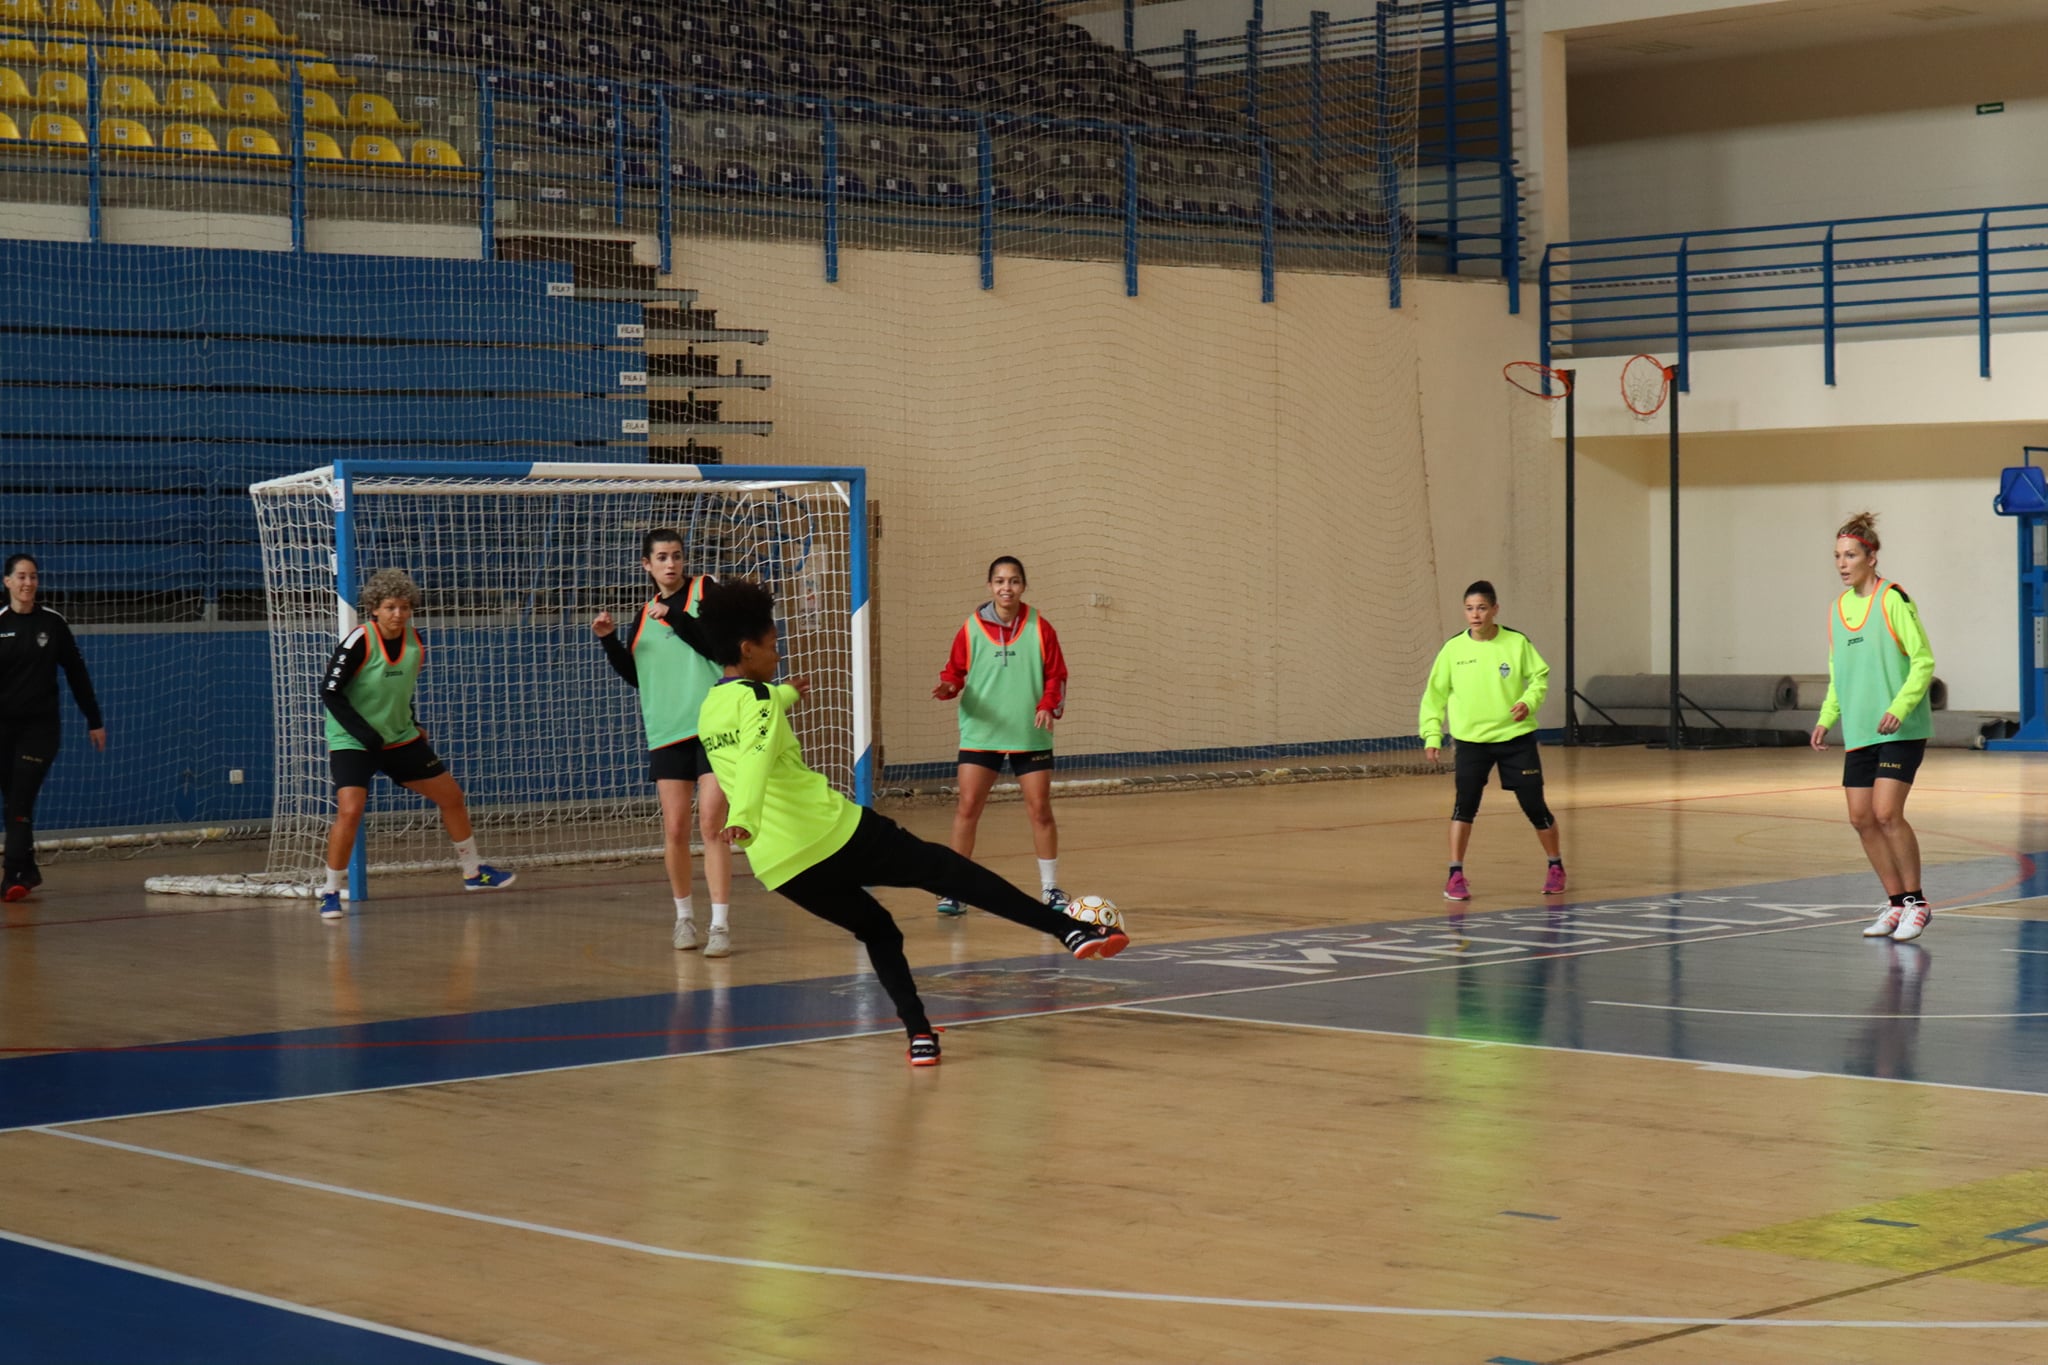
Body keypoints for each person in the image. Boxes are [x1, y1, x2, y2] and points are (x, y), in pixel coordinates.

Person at [695, 577, 1127, 1067]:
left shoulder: (713, 709)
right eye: (772, 647)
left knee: (879, 931)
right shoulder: (758, 703)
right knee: (947, 871)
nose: (779, 655)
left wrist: (787, 695)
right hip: (831, 833)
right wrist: (745, 817)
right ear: (747, 648)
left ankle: (920, 1035)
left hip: (781, 866)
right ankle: (1067, 930)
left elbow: (758, 718)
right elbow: (753, 760)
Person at [318, 569, 514, 921]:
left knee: (451, 796)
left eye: (405, 606)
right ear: (374, 608)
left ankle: (473, 872)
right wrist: (364, 734)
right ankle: (330, 891)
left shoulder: (415, 641)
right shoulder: (359, 641)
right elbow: (330, 692)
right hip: (352, 739)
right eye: (391, 606)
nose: (398, 613)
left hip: (398, 738)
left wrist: (412, 721)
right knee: (350, 810)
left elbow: (400, 690)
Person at [594, 529, 734, 956]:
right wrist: (608, 640)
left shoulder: (703, 591)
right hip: (666, 731)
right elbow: (639, 677)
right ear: (647, 565)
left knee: (712, 823)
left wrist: (672, 618)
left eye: (676, 555)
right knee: (675, 828)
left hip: (713, 728)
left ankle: (721, 925)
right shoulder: (642, 615)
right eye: (661, 557)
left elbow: (715, 646)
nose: (670, 563)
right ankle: (684, 919)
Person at [1810, 511, 1937, 942]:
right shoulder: (1836, 609)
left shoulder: (1893, 599)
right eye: (1837, 556)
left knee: (1886, 813)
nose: (1842, 564)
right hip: (1861, 731)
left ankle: (1917, 904)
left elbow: (1923, 661)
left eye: (1850, 555)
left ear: (1872, 556)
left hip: (1900, 728)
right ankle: (1895, 903)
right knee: (1861, 818)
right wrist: (1828, 718)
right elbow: (1837, 672)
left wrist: (1901, 707)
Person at [931, 555, 1070, 915]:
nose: (1006, 587)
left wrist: (1047, 703)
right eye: (999, 581)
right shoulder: (970, 627)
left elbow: (1056, 675)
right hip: (982, 732)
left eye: (1013, 581)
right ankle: (954, 890)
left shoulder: (1042, 627)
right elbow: (955, 671)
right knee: (967, 808)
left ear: (1023, 586)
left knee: (1040, 810)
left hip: (1029, 733)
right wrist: (949, 687)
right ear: (990, 585)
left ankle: (1051, 889)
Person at [1418, 580, 1564, 901]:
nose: (1475, 614)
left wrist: (1529, 701)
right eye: (1470, 608)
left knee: (1534, 806)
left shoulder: (1516, 643)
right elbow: (1434, 696)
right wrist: (1431, 734)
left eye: (1482, 608)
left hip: (1516, 738)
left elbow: (1539, 676)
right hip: (1471, 742)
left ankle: (1555, 866)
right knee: (1464, 807)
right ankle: (1455, 874)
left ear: (1495, 609)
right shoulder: (1453, 649)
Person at [0, 554, 106, 902]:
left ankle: (13, 873)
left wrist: (94, 720)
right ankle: (28, 870)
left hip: (41, 731)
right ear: (7, 582)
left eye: (33, 576)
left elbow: (77, 673)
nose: (28, 583)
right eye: (21, 576)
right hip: (4, 731)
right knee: (14, 802)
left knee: (19, 799)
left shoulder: (53, 623)